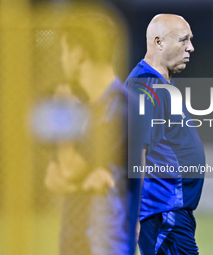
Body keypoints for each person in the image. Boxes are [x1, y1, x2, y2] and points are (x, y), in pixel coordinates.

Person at [44, 11, 144, 255]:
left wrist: (64, 116)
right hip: (77, 243)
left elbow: (68, 170)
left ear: (78, 54)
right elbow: (52, 178)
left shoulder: (120, 106)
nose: (62, 59)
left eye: (64, 50)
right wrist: (82, 181)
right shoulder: (85, 107)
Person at [125, 14, 205, 255]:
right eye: (183, 40)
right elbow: (135, 151)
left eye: (190, 40)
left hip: (170, 211)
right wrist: (133, 216)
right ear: (158, 42)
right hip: (162, 211)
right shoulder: (147, 87)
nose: (190, 47)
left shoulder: (158, 84)